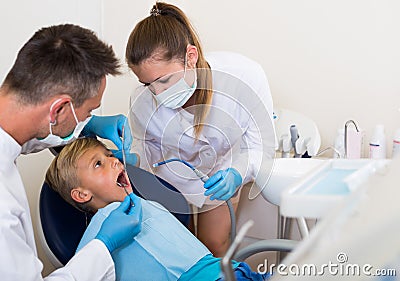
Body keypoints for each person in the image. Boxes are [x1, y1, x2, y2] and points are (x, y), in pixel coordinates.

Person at [125, 2, 276, 256]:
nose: (158, 94)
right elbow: (144, 148)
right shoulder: (142, 102)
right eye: (148, 84)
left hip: (220, 171)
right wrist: (131, 158)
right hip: (170, 177)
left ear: (190, 57)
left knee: (213, 245)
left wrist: (237, 173)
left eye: (164, 80)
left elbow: (261, 143)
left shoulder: (244, 76)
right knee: (179, 251)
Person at [0, 24, 142, 280]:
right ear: (58, 110)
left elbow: (26, 137)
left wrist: (87, 126)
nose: (87, 121)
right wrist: (103, 246)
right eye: (89, 112)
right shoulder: (3, 208)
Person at [45, 137, 271, 281]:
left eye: (110, 155)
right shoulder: (102, 230)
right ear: (83, 194)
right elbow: (83, 268)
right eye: (98, 164)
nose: (114, 161)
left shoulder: (146, 203)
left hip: (231, 271)